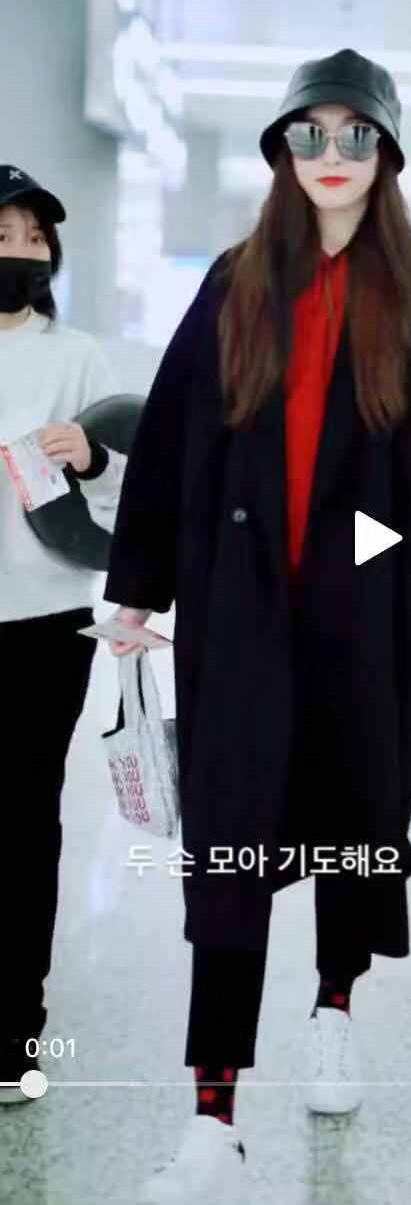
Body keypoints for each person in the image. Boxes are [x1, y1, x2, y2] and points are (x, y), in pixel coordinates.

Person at [102, 49, 411, 1201]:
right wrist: (140, 585)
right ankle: (213, 1118)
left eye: (356, 135)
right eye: (310, 134)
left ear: (388, 153)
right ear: (282, 150)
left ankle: (335, 1005)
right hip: (240, 612)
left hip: (370, 611)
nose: (332, 155)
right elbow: (173, 438)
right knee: (229, 851)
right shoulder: (238, 279)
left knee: (351, 818)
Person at [0, 165, 125, 1103]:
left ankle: (14, 1028)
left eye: (34, 239)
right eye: (2, 237)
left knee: (20, 822)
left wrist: (93, 456)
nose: (19, 252)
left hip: (44, 623)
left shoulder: (79, 357)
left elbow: (131, 490)